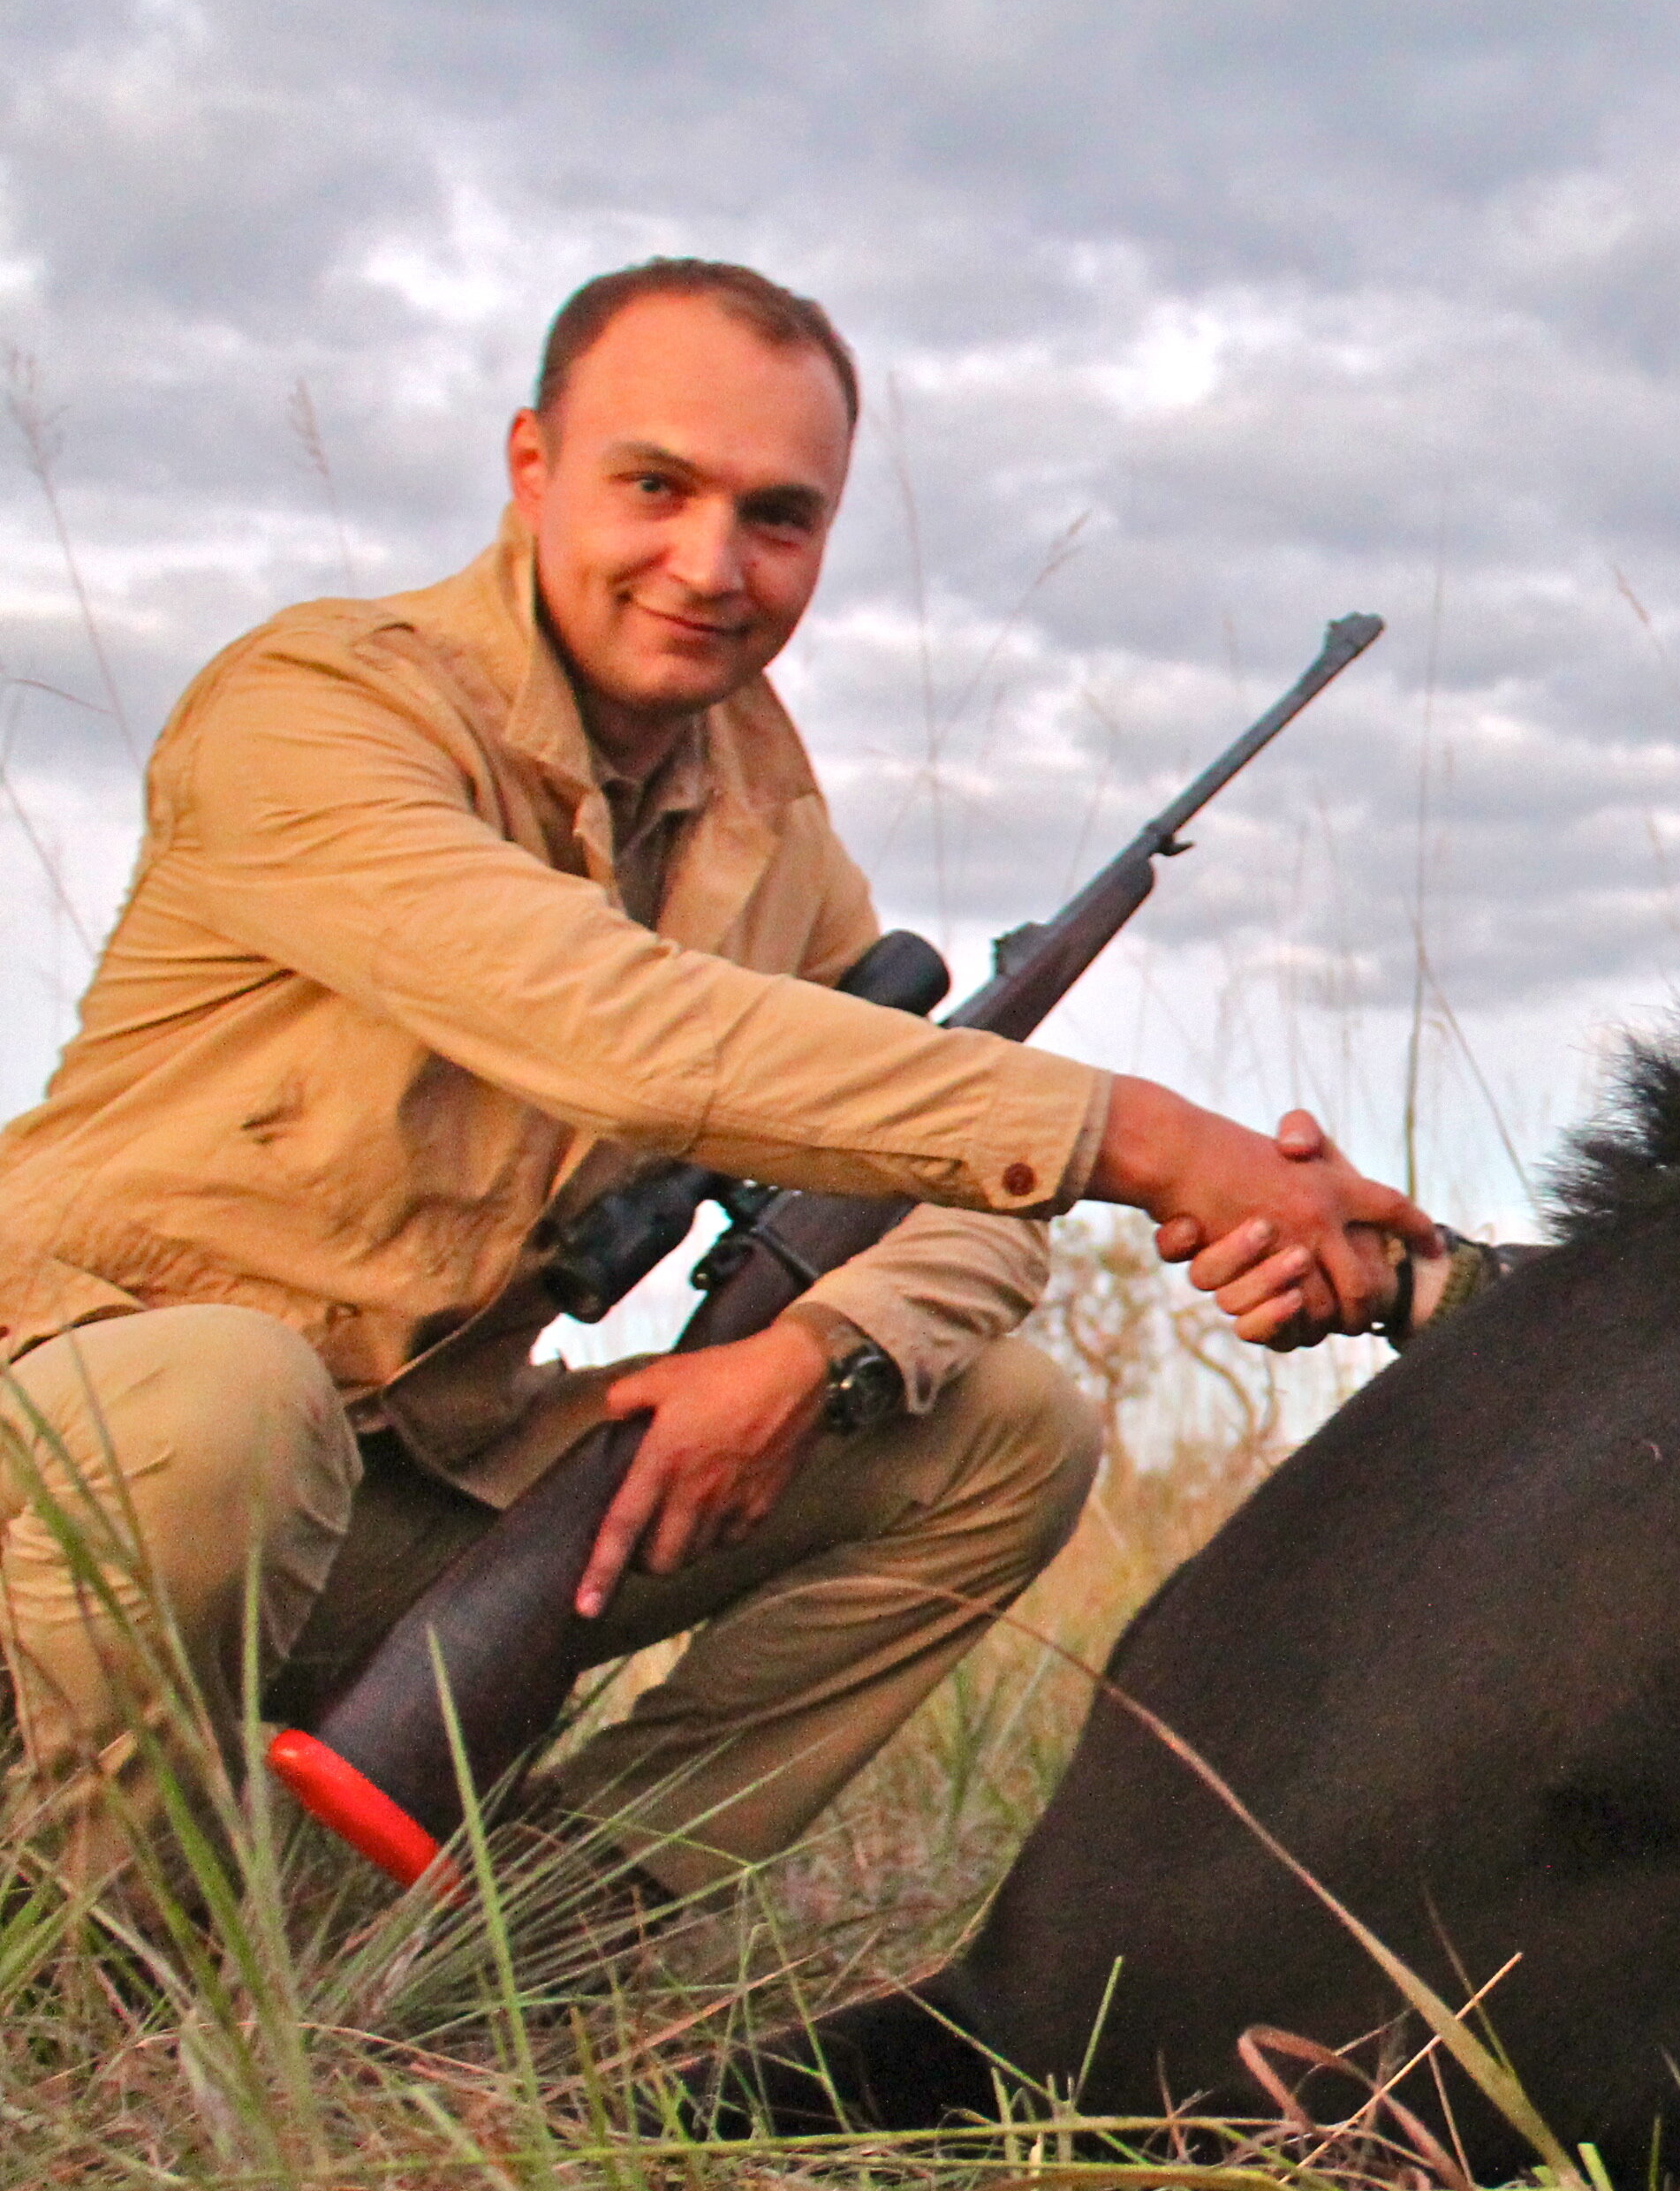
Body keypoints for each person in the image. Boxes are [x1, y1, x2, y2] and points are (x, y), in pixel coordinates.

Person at [0, 258, 1434, 1914]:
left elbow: (952, 1200)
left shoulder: (765, 824)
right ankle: (81, 1959)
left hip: (394, 1488)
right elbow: (608, 1020)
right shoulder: (318, 704)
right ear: (532, 466)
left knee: (1007, 1430)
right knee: (227, 1399)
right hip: (99, 1451)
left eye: (778, 515)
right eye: (654, 486)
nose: (711, 564)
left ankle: (499, 1962)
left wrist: (806, 1355)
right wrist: (1154, 1143)